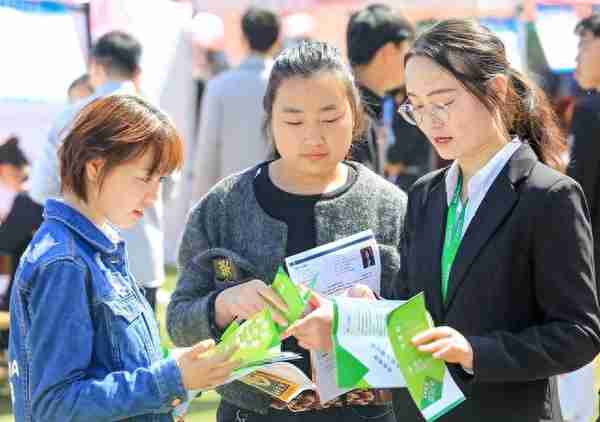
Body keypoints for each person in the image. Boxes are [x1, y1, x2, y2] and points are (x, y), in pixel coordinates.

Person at [289, 18, 600, 422]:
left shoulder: (548, 196)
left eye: (443, 101)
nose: (430, 120)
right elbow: (418, 311)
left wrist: (474, 352)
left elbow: (578, 335)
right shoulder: (425, 194)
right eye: (416, 106)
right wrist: (367, 311)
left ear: (497, 89)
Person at [167, 40, 407, 421]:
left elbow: (425, 327)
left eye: (330, 118)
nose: (313, 137)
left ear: (356, 115)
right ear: (271, 119)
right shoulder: (224, 205)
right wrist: (224, 305)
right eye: (294, 121)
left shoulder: (391, 206)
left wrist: (357, 321)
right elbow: (179, 319)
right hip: (252, 412)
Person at [8, 94, 238, 421]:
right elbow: (56, 407)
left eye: (160, 179)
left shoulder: (100, 247)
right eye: (145, 177)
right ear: (95, 166)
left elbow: (118, 365)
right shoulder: (64, 263)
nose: (154, 194)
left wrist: (176, 373)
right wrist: (172, 379)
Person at [29, 30, 172, 312]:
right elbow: (169, 188)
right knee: (143, 353)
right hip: (142, 257)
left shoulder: (71, 115)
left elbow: (41, 188)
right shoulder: (160, 119)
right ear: (137, 71)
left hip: (80, 257)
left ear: (96, 66)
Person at [190, 7, 281, 206]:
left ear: (243, 38)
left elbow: (207, 152)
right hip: (282, 198)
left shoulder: (219, 85)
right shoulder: (287, 84)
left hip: (232, 200)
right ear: (277, 39)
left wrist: (199, 206)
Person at [346, 3, 430, 185]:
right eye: (408, 52)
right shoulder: (351, 114)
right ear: (389, 52)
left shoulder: (362, 105)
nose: (411, 62)